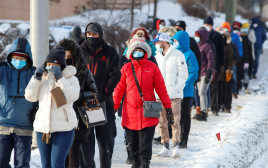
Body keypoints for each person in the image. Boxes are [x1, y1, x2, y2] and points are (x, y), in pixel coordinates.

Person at [113, 39, 173, 168]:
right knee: (132, 145)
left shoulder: (152, 68)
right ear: (131, 52)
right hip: (130, 114)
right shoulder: (126, 68)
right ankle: (135, 164)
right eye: (136, 50)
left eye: (141, 50)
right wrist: (114, 106)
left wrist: (168, 107)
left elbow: (161, 89)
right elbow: (119, 89)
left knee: (145, 145)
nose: (138, 52)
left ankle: (145, 164)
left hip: (147, 113)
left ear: (145, 52)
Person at [25, 47, 80, 168]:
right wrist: (36, 79)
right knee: (46, 165)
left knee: (57, 164)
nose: (51, 67)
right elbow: (30, 96)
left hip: (64, 128)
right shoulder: (43, 79)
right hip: (43, 129)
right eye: (48, 64)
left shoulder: (71, 79)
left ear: (61, 66)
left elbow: (72, 97)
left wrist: (60, 79)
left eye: (54, 64)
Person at [80, 22, 120, 168]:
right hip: (84, 104)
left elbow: (115, 75)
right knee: (85, 144)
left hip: (104, 104)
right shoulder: (79, 51)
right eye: (89, 34)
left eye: (94, 34)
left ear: (100, 35)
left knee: (105, 143)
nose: (91, 37)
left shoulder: (109, 52)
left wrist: (104, 93)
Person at [57, 38, 98, 168]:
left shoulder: (84, 71)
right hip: (60, 118)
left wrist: (77, 96)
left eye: (69, 56)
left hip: (79, 118)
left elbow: (94, 92)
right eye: (64, 56)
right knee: (61, 157)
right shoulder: (55, 73)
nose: (66, 59)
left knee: (74, 154)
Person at [0, 38, 36, 168]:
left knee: (22, 164)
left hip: (24, 127)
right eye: (15, 57)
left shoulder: (34, 73)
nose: (18, 61)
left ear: (28, 59)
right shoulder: (2, 69)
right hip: (3, 125)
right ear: (10, 56)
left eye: (22, 58)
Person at [152, 33, 188, 157]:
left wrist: (177, 89)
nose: (156, 45)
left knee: (175, 121)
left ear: (164, 43)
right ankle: (165, 146)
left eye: (157, 42)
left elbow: (183, 74)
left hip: (173, 95)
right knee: (162, 122)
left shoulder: (178, 55)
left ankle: (175, 146)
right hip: (158, 95)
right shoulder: (156, 57)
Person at [171, 31, 199, 148]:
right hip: (176, 90)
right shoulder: (175, 53)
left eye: (176, 41)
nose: (175, 43)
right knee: (176, 115)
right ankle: (176, 138)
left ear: (182, 41)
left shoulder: (189, 54)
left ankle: (184, 139)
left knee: (185, 115)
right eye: (174, 41)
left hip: (186, 91)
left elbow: (194, 72)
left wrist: (185, 84)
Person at [203, 16, 225, 116]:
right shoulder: (200, 34)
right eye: (205, 25)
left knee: (213, 87)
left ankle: (214, 108)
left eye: (209, 25)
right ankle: (202, 107)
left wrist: (221, 65)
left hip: (214, 65)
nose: (207, 27)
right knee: (202, 88)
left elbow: (222, 52)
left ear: (212, 26)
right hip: (203, 65)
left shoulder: (217, 36)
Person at [193, 28, 215, 121]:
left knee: (202, 92)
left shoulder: (206, 46)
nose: (196, 38)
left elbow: (210, 59)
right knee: (199, 92)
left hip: (206, 72)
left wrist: (209, 71)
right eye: (196, 36)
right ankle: (201, 109)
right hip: (199, 72)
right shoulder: (197, 46)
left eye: (198, 36)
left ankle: (204, 111)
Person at [222, 22, 243, 98]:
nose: (225, 29)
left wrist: (238, 58)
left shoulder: (235, 36)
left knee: (233, 77)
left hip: (233, 60)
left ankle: (234, 91)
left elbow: (239, 47)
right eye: (224, 27)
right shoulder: (221, 36)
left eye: (227, 28)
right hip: (224, 61)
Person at [218, 31, 234, 113]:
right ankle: (220, 104)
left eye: (225, 36)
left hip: (226, 71)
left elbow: (230, 59)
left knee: (227, 89)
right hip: (219, 70)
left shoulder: (229, 47)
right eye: (222, 36)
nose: (223, 38)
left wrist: (229, 69)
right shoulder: (218, 46)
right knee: (219, 89)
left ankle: (227, 106)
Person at [240, 24, 254, 94]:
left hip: (246, 61)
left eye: (244, 32)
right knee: (240, 74)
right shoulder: (239, 40)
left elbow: (250, 52)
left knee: (246, 74)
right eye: (242, 32)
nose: (243, 33)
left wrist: (251, 61)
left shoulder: (248, 41)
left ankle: (246, 87)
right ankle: (239, 87)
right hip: (239, 60)